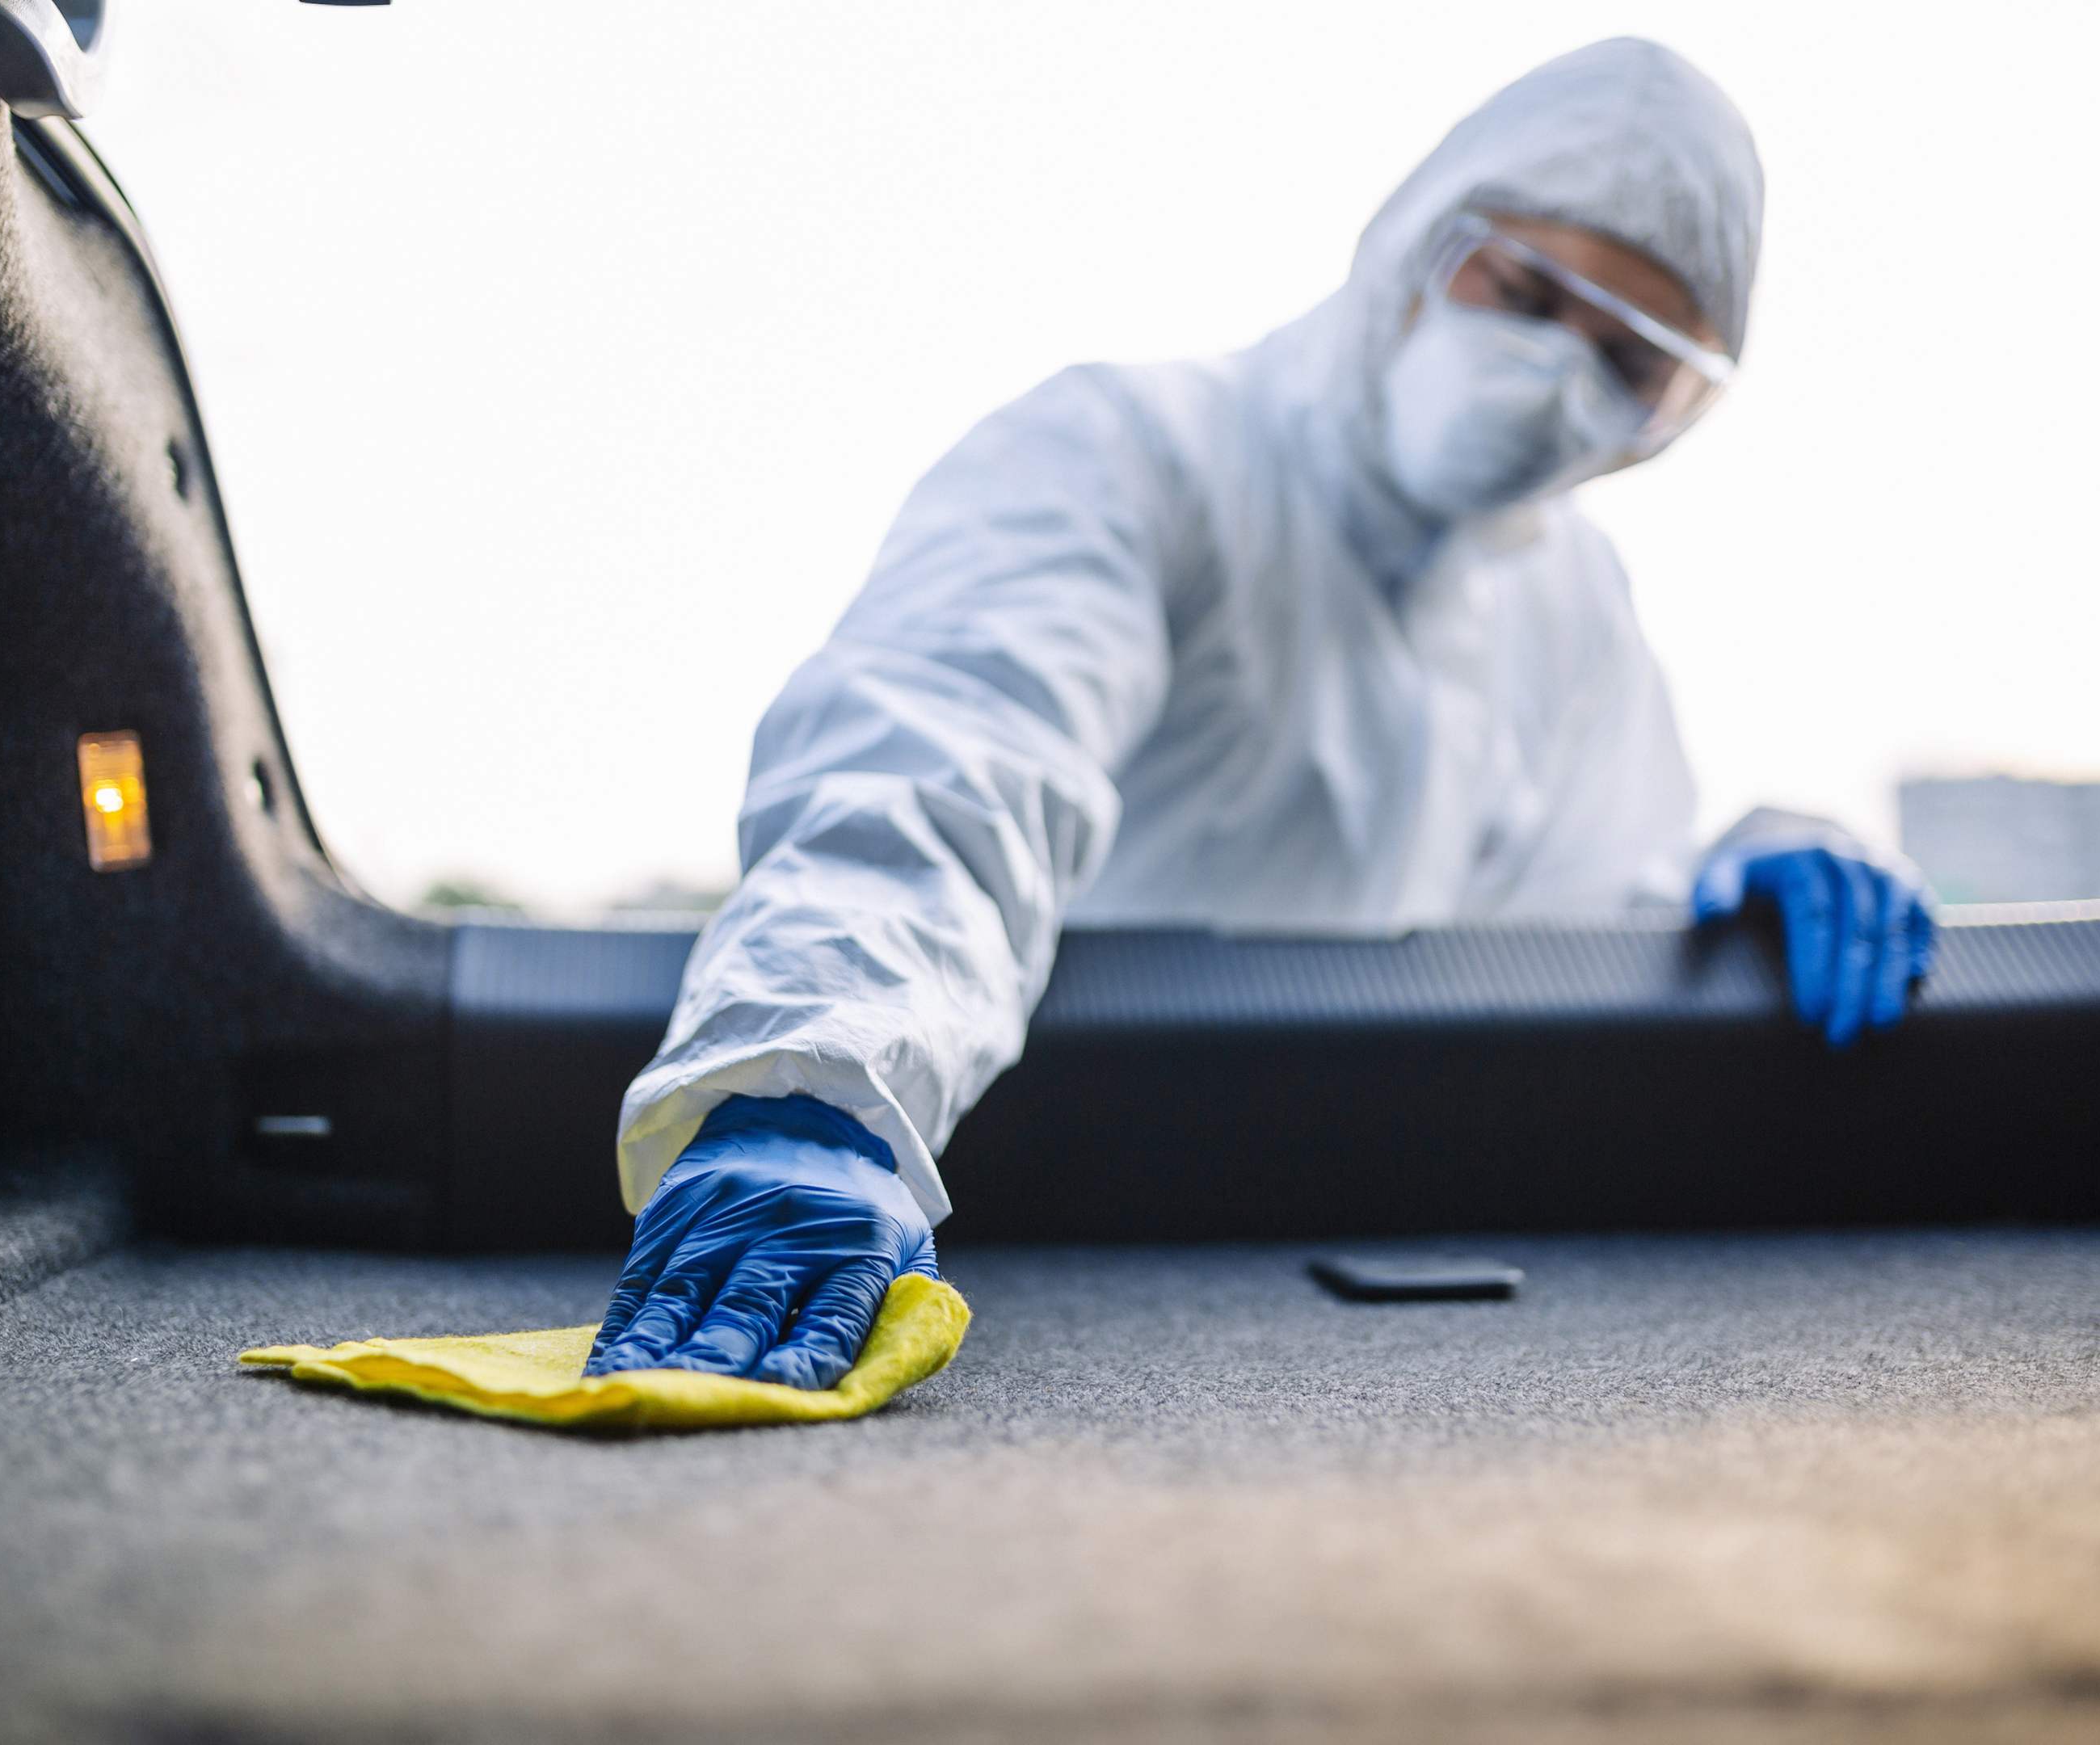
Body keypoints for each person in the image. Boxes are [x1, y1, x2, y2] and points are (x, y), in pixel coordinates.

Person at [583, 38, 1933, 1390]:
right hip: (1015, 1198)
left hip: (1352, 1247)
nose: (1560, 378)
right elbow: (946, 762)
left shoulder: (1571, 601)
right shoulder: (1132, 451)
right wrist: (814, 1083)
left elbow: (1574, 935)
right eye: (1525, 290)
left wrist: (1722, 884)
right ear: (1419, 240)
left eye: (1636, 364)